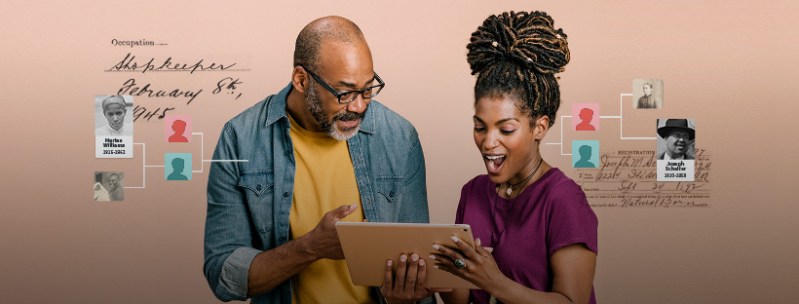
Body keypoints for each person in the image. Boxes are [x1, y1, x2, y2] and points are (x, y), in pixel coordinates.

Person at [204, 16, 431, 304]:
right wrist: (311, 247)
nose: (360, 106)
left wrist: (405, 294)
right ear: (301, 79)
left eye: (367, 88)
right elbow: (222, 274)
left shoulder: (399, 138)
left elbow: (417, 272)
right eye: (345, 92)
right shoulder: (240, 138)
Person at [434, 11, 599, 304]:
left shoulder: (563, 200)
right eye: (479, 127)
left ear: (539, 127)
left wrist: (494, 282)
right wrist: (427, 280)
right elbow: (459, 297)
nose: (488, 141)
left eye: (506, 129)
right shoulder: (472, 193)